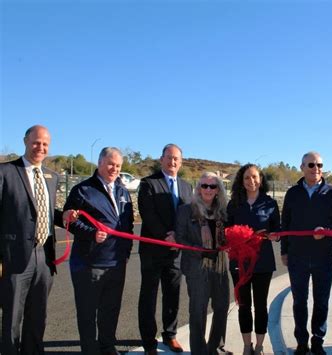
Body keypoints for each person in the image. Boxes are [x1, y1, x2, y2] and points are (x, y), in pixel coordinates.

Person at [0, 125, 64, 355]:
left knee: (38, 316)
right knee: (12, 316)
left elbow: (46, 211)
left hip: (44, 257)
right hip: (15, 257)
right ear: (25, 141)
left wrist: (65, 217)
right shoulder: (5, 172)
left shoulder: (51, 176)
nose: (41, 147)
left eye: (45, 144)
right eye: (36, 142)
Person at [63, 147, 134, 355]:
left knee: (110, 310)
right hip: (89, 264)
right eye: (111, 164)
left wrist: (126, 253)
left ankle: (107, 346)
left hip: (116, 263)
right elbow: (69, 221)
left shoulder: (122, 192)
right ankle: (89, 349)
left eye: (118, 166)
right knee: (87, 312)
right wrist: (91, 233)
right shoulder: (82, 190)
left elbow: (127, 227)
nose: (115, 169)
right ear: (100, 163)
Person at [281, 151, 332, 355]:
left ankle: (318, 341)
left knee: (321, 301)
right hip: (297, 257)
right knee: (299, 301)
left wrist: (327, 230)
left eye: (319, 165)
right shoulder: (293, 194)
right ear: (302, 167)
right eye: (311, 165)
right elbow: (286, 224)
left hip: (323, 257)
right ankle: (302, 342)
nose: (316, 169)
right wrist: (285, 250)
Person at [138, 143, 193, 354]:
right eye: (169, 157)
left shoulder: (187, 187)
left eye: (176, 159)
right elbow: (148, 214)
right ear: (161, 160)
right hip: (153, 251)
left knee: (172, 295)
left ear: (181, 162)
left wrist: (179, 236)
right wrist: (166, 235)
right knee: (148, 297)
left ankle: (170, 335)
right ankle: (149, 342)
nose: (173, 162)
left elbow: (190, 217)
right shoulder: (148, 184)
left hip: (176, 253)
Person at [226, 164, 280, 355]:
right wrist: (239, 236)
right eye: (247, 178)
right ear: (241, 181)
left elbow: (277, 230)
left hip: (263, 262)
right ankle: (246, 345)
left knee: (260, 305)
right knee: (244, 305)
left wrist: (275, 235)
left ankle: (259, 346)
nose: (251, 181)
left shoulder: (270, 204)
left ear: (261, 179)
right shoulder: (233, 204)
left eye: (255, 177)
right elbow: (227, 231)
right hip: (239, 262)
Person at [175, 172, 231, 355]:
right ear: (198, 188)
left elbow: (230, 236)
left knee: (222, 307)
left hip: (220, 265)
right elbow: (179, 238)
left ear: (218, 190)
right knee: (198, 310)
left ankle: (215, 347)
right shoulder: (185, 210)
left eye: (212, 186)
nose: (208, 189)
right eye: (204, 185)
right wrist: (198, 249)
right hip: (196, 266)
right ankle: (199, 350)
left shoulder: (223, 211)